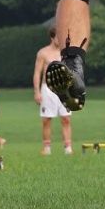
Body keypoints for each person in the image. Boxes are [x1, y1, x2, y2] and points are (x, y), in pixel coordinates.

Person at [32, 27, 73, 155]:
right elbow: (37, 73)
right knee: (46, 119)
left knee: (66, 119)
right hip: (48, 89)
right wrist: (37, 92)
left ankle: (68, 148)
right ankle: (47, 148)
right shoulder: (43, 53)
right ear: (52, 37)